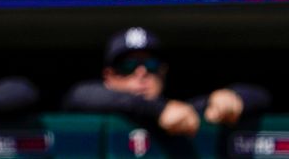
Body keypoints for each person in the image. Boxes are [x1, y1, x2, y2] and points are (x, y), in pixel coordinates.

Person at [63, 26, 271, 136]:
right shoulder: (91, 102)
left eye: (150, 65)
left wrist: (232, 97)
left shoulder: (180, 114)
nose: (141, 73)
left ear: (162, 72)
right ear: (109, 76)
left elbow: (264, 95)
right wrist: (157, 109)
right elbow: (78, 95)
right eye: (127, 66)